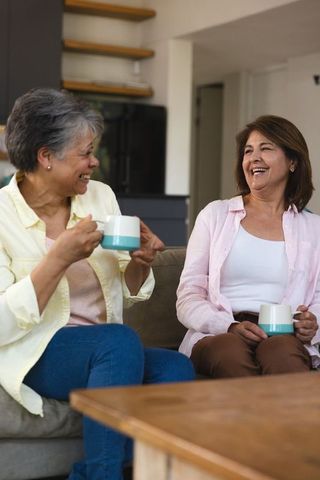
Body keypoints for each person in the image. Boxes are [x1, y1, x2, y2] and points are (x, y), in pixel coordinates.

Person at [0, 88, 195, 480]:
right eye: (85, 153)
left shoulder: (99, 197)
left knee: (176, 369)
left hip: (106, 350)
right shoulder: (2, 216)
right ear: (46, 156)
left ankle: (140, 472)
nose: (94, 163)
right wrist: (58, 258)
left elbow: (129, 284)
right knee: (117, 340)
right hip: (37, 353)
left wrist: (142, 262)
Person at [177, 114, 320, 378]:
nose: (253, 157)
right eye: (248, 151)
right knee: (228, 352)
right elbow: (188, 295)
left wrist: (314, 323)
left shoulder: (314, 227)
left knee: (283, 353)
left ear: (292, 162)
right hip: (220, 333)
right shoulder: (215, 214)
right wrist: (228, 325)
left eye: (265, 148)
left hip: (282, 335)